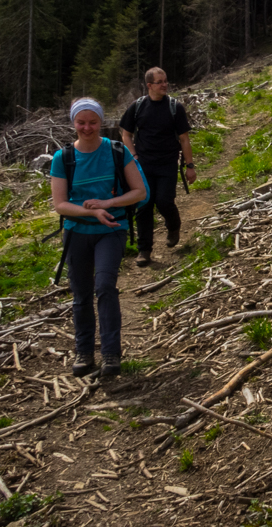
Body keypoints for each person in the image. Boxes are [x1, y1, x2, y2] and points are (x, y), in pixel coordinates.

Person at [51, 98, 146, 377]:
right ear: (73, 123)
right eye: (81, 122)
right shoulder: (63, 158)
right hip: (76, 232)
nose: (87, 127)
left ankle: (111, 354)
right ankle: (84, 351)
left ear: (101, 122)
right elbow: (60, 204)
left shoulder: (117, 151)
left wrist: (108, 205)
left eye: (93, 122)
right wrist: (90, 213)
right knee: (81, 295)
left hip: (112, 230)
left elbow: (139, 191)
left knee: (104, 286)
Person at [120, 68, 195, 265]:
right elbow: (125, 134)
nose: (164, 84)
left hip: (168, 163)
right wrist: (133, 156)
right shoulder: (137, 107)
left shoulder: (174, 107)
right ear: (150, 85)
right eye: (160, 81)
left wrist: (190, 166)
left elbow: (184, 139)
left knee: (164, 201)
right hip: (143, 165)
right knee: (144, 206)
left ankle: (173, 225)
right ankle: (144, 250)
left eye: (165, 81)